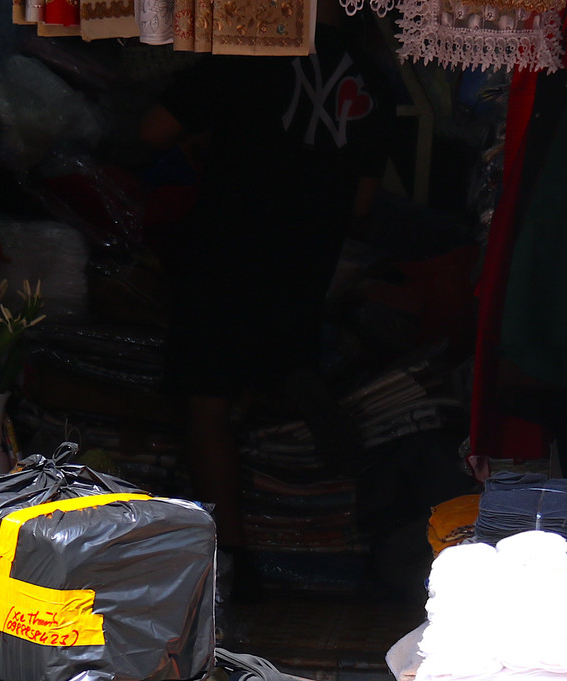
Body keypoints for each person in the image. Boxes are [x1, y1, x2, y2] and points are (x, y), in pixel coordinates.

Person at [141, 0, 396, 593]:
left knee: (206, 402)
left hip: (227, 252)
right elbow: (360, 202)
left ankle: (227, 555)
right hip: (307, 264)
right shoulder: (373, 78)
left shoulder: (251, 51)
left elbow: (153, 129)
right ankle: (273, 516)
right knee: (259, 394)